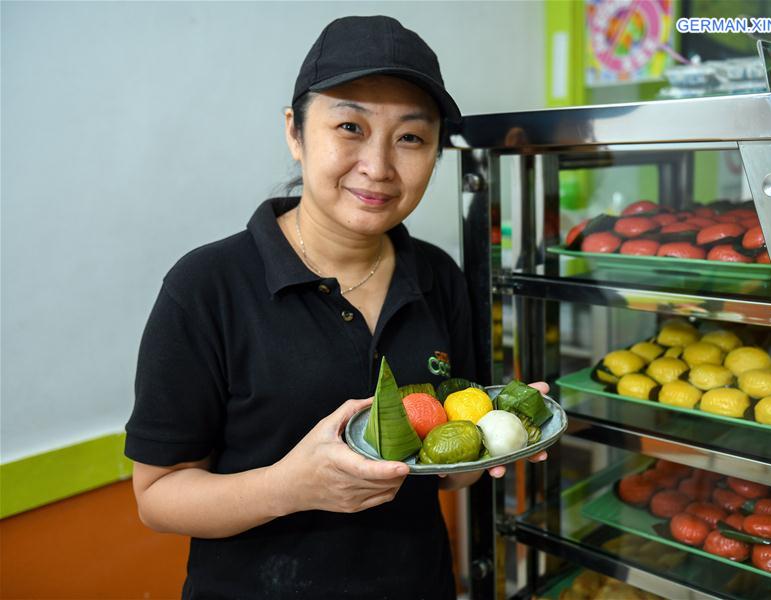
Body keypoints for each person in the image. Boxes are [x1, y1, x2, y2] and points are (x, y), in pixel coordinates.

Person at [125, 15, 547, 599]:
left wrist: (500, 437)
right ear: (295, 133)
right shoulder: (206, 285)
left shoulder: (439, 277)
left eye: (411, 138)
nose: (378, 166)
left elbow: (450, 472)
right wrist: (287, 487)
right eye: (350, 126)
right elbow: (156, 497)